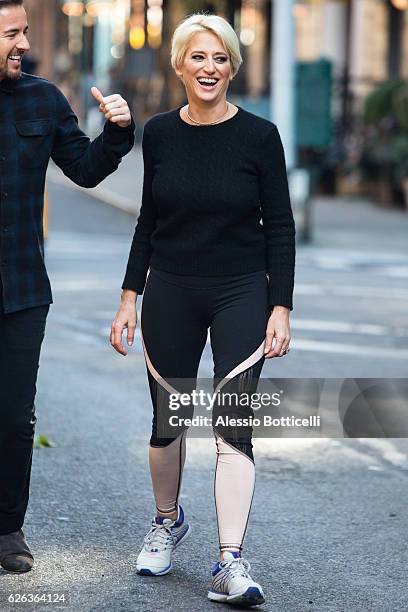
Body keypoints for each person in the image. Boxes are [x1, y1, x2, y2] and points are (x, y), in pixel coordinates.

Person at [111, 13, 295, 608]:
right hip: (171, 288)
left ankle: (230, 562)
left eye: (220, 59)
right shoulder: (160, 133)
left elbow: (282, 229)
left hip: (242, 288)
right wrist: (128, 296)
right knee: (169, 423)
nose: (209, 68)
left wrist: (281, 306)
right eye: (199, 57)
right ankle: (167, 521)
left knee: (231, 424)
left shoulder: (261, 137)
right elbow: (148, 221)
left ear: (233, 67)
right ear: (180, 65)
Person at [0, 0, 135, 573]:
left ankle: (8, 530)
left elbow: (83, 168)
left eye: (25, 31)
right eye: (12, 33)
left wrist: (119, 133)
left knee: (14, 416)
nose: (23, 43)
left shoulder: (43, 99)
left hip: (22, 288)